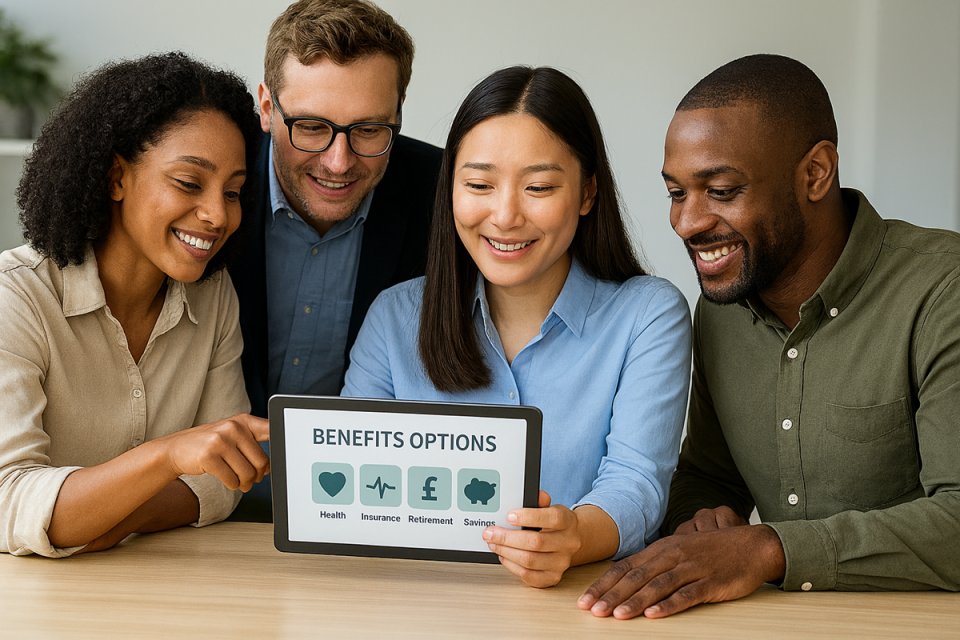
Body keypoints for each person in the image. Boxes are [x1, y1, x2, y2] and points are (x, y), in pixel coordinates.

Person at [580, 53, 960, 618]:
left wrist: (767, 549)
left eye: (723, 190)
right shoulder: (721, 307)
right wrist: (702, 518)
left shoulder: (942, 290)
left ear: (815, 173)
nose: (686, 223)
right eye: (676, 193)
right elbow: (709, 474)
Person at [342, 66, 692, 587]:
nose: (505, 216)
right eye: (479, 184)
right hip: (415, 601)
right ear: (451, 191)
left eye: (539, 186)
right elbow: (350, 481)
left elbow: (635, 483)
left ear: (587, 194)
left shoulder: (648, 315)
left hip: (579, 605)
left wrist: (572, 538)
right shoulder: (394, 318)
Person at [0, 52, 270, 557]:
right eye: (189, 183)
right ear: (117, 177)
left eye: (233, 192)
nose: (217, 214)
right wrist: (166, 458)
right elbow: (8, 499)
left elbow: (223, 480)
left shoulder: (213, 297)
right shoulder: (14, 297)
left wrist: (114, 520)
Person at [229, 0, 442, 522]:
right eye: (311, 126)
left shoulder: (447, 194)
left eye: (369, 130)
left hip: (366, 510)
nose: (339, 161)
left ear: (399, 109)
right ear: (265, 106)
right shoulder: (212, 181)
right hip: (206, 507)